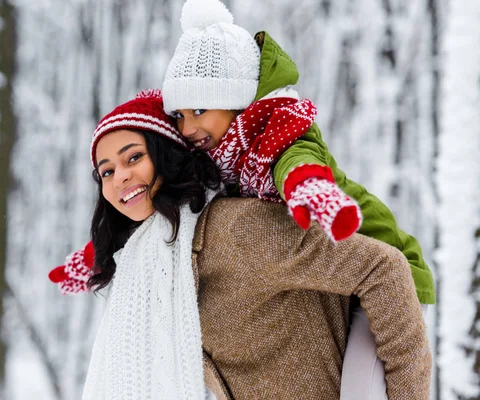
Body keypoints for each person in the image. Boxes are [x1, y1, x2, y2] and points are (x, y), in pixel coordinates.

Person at [49, 90, 431, 399]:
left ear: (165, 158)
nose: (121, 177)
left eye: (134, 157)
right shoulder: (153, 271)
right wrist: (92, 262)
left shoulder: (235, 230)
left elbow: (384, 268)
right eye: (107, 172)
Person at [161, 0, 435, 397]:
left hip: (386, 273)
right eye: (179, 115)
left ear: (236, 101)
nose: (188, 127)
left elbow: (296, 162)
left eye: (200, 109)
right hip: (342, 275)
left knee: (360, 390)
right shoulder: (219, 158)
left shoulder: (281, 130)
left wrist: (310, 190)